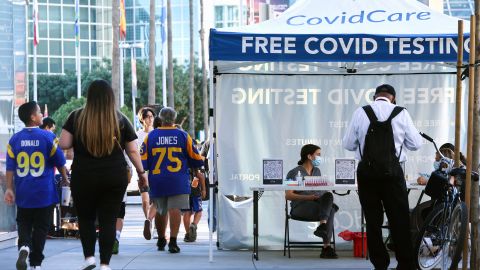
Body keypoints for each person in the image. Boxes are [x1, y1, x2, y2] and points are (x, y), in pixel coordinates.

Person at [59, 80, 148, 270]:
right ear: (110, 97)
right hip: (114, 176)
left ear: (89, 96)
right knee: (109, 219)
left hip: (84, 175)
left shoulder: (76, 117)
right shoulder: (121, 119)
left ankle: (89, 258)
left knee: (86, 218)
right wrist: (142, 173)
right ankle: (105, 264)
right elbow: (133, 151)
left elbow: (64, 143)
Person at [343, 84, 422, 270]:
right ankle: (405, 264)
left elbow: (348, 144)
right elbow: (416, 144)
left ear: (375, 96)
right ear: (393, 98)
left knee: (372, 221)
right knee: (400, 220)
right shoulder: (401, 112)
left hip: (367, 175)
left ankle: (380, 264)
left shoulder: (361, 112)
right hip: (393, 174)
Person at [4, 101, 69, 270]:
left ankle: (24, 246)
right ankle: (36, 264)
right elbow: (60, 162)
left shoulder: (14, 140)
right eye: (40, 112)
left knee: (23, 222)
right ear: (33, 117)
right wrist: (65, 179)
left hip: (23, 192)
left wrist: (10, 188)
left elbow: (10, 167)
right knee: (41, 228)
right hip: (44, 193)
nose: (42, 115)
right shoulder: (48, 137)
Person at [140, 107, 204, 253]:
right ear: (174, 119)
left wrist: (142, 177)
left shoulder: (151, 136)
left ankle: (161, 239)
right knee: (175, 209)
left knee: (161, 210)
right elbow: (195, 157)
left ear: (160, 119)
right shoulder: (183, 135)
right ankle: (173, 241)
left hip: (158, 179)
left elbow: (143, 159)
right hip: (178, 179)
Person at [285, 144, 338, 259]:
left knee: (328, 195)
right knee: (332, 209)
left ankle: (322, 226)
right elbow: (288, 195)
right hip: (300, 207)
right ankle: (326, 248)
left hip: (316, 205)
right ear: (309, 156)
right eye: (318, 154)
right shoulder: (293, 172)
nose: (320, 157)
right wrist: (308, 198)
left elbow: (319, 192)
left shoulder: (317, 171)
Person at [182, 169, 206, 242]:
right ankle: (194, 224)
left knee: (186, 212)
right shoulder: (194, 162)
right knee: (199, 211)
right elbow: (200, 176)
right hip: (196, 192)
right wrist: (203, 189)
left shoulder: (181, 163)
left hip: (184, 191)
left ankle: (188, 234)